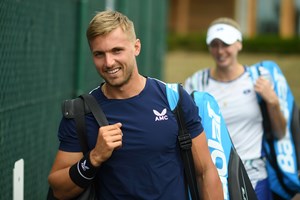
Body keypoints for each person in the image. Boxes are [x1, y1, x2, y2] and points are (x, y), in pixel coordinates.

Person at [48, 10, 223, 200]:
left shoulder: (174, 99)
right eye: (99, 54)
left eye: (117, 51)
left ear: (136, 47)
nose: (108, 62)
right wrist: (94, 158)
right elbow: (59, 189)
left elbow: (205, 171)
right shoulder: (82, 112)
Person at [184, 17, 287, 200]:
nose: (220, 51)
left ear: (239, 44)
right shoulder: (196, 82)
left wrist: (273, 102)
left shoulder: (260, 78)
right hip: (215, 175)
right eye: (214, 45)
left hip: (254, 174)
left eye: (226, 44)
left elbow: (280, 133)